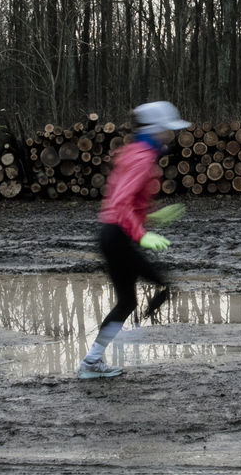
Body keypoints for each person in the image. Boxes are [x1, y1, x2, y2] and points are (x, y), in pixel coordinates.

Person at [78, 100, 190, 380]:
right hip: (118, 235)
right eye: (168, 130)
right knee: (160, 284)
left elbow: (128, 203)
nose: (171, 135)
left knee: (127, 301)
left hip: (113, 234)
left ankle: (91, 363)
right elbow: (121, 202)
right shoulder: (141, 157)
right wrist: (142, 234)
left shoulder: (137, 152)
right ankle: (91, 363)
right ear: (156, 129)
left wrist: (152, 217)